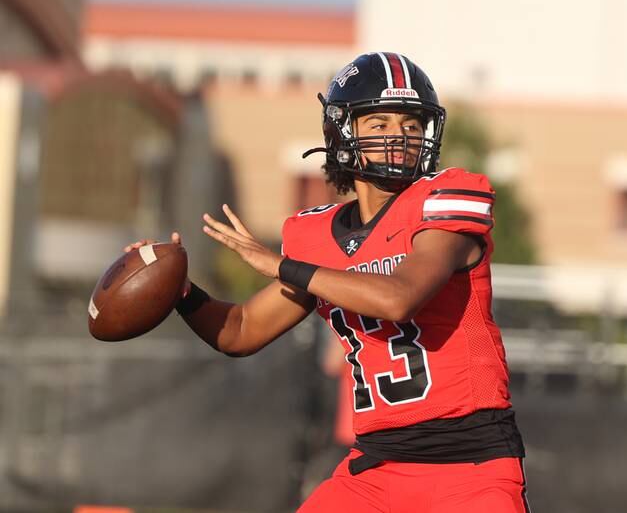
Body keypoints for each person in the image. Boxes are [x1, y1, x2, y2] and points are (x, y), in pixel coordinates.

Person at [125, 52, 529, 512]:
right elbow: (239, 330)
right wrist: (179, 291)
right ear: (343, 135)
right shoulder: (314, 235)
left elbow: (399, 298)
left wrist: (282, 266)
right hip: (376, 469)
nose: (398, 137)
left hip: (469, 468)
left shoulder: (446, 199)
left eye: (411, 125)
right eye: (379, 125)